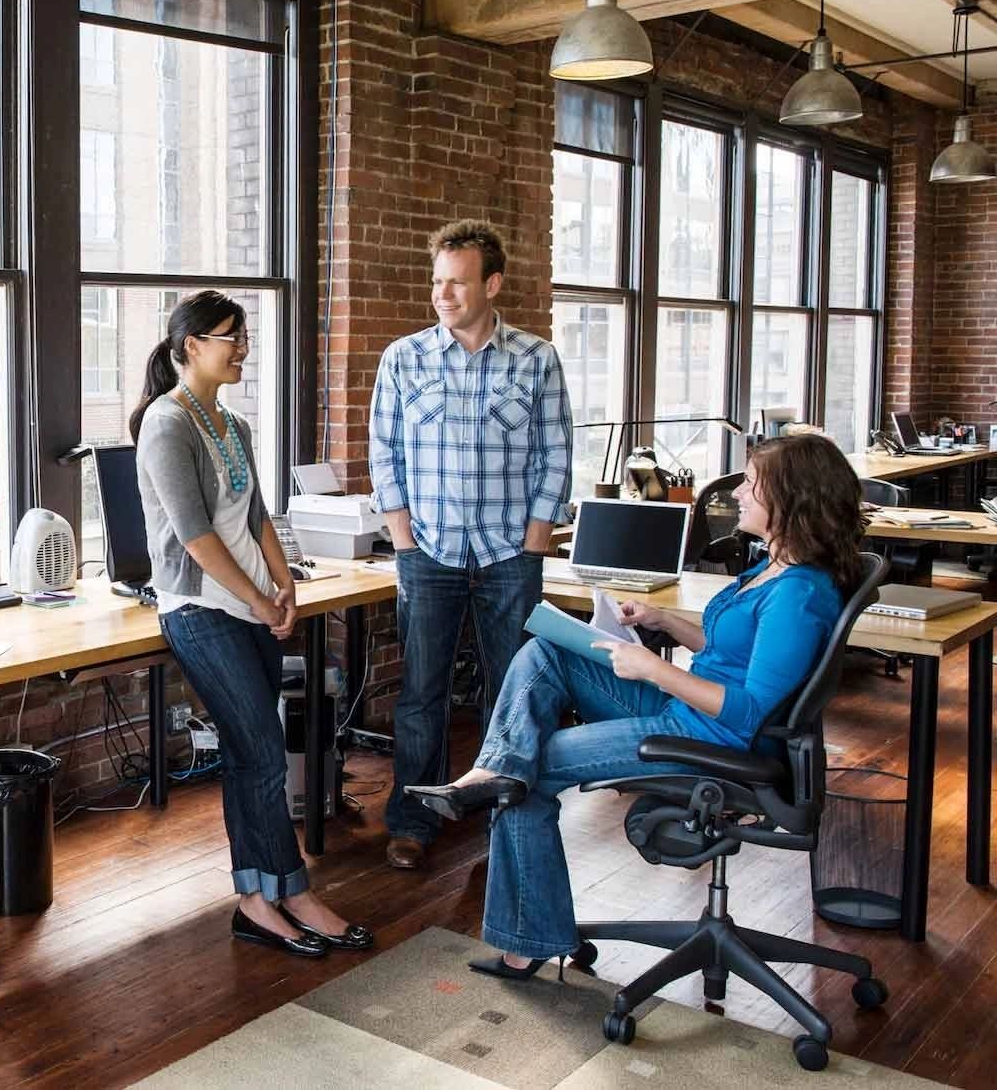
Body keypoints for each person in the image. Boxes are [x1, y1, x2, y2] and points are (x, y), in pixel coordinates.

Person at [405, 434, 864, 977]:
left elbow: (748, 711)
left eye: (751, 483)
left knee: (530, 767)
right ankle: (491, 769)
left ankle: (527, 936)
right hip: (687, 713)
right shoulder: (773, 569)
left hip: (713, 740)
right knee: (548, 650)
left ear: (792, 499)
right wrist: (664, 623)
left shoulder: (797, 593)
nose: (738, 493)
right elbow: (734, 658)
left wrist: (652, 667)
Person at [133, 290, 371, 959]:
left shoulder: (229, 424)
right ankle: (288, 892)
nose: (242, 348)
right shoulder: (166, 423)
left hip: (247, 605)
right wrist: (261, 601)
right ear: (191, 347)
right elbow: (196, 537)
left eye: (244, 336)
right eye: (230, 337)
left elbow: (258, 515)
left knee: (250, 757)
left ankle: (256, 898)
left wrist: (284, 581)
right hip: (200, 609)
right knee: (265, 752)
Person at [369, 220, 572, 871]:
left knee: (511, 693)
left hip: (510, 553)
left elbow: (556, 454)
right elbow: (384, 454)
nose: (443, 294)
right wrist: (402, 539)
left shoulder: (535, 358)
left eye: (457, 282)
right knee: (421, 694)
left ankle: (503, 820)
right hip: (428, 552)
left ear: (492, 283)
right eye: (438, 282)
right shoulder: (405, 358)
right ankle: (413, 819)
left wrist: (535, 541)